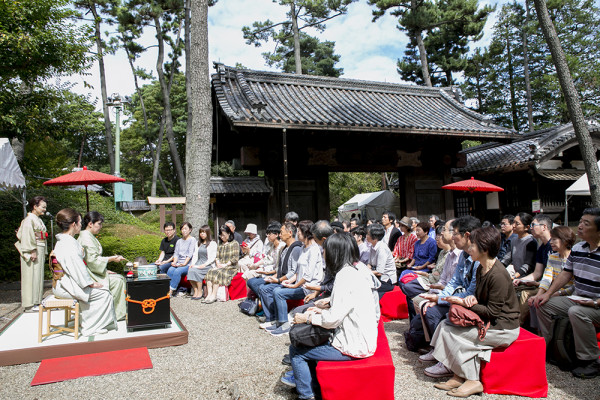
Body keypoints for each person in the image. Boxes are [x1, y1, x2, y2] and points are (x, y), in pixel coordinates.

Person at [426, 225, 520, 397]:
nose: (469, 249)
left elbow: (492, 312)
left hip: (504, 327)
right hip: (488, 320)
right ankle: (458, 375)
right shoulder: (480, 268)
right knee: (446, 327)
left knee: (455, 334)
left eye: (473, 245)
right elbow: (478, 296)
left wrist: (465, 303)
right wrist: (471, 299)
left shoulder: (497, 275)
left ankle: (472, 380)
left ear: (484, 248)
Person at [281, 233, 379, 398]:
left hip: (354, 345)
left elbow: (332, 320)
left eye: (324, 251)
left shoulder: (344, 275)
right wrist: (326, 305)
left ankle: (306, 395)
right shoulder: (355, 269)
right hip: (364, 337)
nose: (323, 254)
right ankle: (313, 386)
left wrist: (308, 318)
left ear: (334, 253)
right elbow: (347, 304)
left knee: (297, 351)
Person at [536, 208, 600, 379]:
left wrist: (596, 303)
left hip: (596, 304)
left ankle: (590, 361)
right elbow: (566, 274)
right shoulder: (578, 248)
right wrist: (547, 294)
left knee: (577, 312)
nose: (579, 226)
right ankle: (554, 349)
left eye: (586, 224)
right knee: (543, 305)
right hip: (578, 298)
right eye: (580, 221)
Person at [407, 216, 481, 353]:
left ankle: (443, 353)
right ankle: (436, 348)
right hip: (454, 295)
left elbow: (470, 291)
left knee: (432, 311)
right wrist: (441, 297)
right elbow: (454, 281)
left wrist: (441, 299)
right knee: (426, 304)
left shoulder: (477, 259)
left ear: (467, 235)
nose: (452, 237)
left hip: (470, 302)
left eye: (454, 233)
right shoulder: (464, 255)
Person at [52, 208, 117, 336]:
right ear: (73, 224)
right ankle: (90, 326)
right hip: (66, 286)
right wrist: (89, 283)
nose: (81, 225)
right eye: (80, 222)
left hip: (64, 282)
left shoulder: (65, 241)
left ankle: (91, 323)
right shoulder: (69, 243)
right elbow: (77, 269)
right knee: (104, 293)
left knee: (101, 290)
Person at [268, 220, 323, 336]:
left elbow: (308, 275)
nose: (297, 234)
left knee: (278, 292)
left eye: (299, 231)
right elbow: (298, 272)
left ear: (306, 232)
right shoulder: (303, 248)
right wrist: (290, 281)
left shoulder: (314, 249)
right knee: (277, 289)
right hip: (300, 284)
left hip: (308, 288)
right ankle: (279, 321)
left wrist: (295, 285)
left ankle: (284, 323)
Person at [77, 211, 127, 320]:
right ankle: (116, 314)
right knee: (118, 281)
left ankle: (115, 311)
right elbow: (93, 261)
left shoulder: (88, 236)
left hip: (92, 271)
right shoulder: (86, 238)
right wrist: (112, 259)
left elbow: (93, 261)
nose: (101, 226)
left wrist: (105, 270)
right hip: (90, 274)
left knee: (118, 277)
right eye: (99, 224)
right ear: (90, 224)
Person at [252, 223, 302, 327]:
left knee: (266, 289)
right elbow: (279, 269)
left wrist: (278, 280)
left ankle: (273, 318)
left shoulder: (295, 248)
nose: (280, 235)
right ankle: (271, 316)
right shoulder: (285, 248)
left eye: (281, 232)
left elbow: (293, 272)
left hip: (292, 282)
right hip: (282, 278)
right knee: (260, 285)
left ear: (290, 233)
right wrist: (274, 277)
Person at [528, 225, 576, 332]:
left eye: (554, 239)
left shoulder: (574, 257)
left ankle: (548, 335)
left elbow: (574, 286)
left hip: (567, 294)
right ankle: (538, 332)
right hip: (553, 291)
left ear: (565, 240)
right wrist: (539, 294)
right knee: (533, 301)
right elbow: (547, 278)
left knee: (541, 304)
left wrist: (551, 294)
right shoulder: (553, 257)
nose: (551, 242)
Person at [400, 223, 451, 320]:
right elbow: (415, 257)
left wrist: (423, 269)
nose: (437, 240)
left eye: (439, 237)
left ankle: (416, 322)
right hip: (427, 273)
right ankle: (415, 323)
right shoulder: (441, 252)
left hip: (428, 273)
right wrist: (411, 265)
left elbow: (433, 262)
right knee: (404, 276)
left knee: (408, 287)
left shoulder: (433, 244)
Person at [512, 213, 553, 325]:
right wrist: (522, 280)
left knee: (525, 294)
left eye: (533, 225)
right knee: (513, 286)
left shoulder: (554, 246)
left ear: (544, 227)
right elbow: (537, 273)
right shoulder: (541, 248)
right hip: (542, 283)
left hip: (551, 286)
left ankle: (519, 324)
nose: (531, 228)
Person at [15, 196, 48, 312]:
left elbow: (41, 235)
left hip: (39, 247)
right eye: (43, 207)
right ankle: (29, 304)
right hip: (33, 249)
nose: (44, 209)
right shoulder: (29, 220)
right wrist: (32, 250)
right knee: (30, 276)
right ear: (35, 206)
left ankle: (36, 300)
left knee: (37, 276)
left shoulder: (36, 219)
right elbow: (26, 235)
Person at [203, 224, 240, 304]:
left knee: (217, 273)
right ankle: (209, 295)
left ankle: (214, 295)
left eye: (224, 235)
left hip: (231, 267)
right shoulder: (220, 245)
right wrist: (218, 263)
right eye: (221, 235)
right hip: (221, 266)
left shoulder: (234, 243)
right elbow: (217, 256)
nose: (222, 237)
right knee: (210, 272)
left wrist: (225, 265)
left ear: (229, 234)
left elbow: (235, 258)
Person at [165, 222, 196, 296]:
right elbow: (176, 253)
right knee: (170, 270)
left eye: (186, 229)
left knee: (177, 271)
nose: (184, 231)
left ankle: (171, 291)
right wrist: (175, 262)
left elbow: (190, 254)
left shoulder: (192, 240)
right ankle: (167, 289)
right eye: (182, 229)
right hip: (179, 263)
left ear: (190, 230)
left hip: (188, 264)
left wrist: (184, 263)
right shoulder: (179, 241)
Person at [187, 225, 217, 300]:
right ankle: (196, 290)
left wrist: (204, 265)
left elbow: (212, 257)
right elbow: (195, 255)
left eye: (204, 232)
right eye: (201, 232)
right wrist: (192, 264)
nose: (202, 234)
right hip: (199, 262)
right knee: (190, 270)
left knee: (196, 271)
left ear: (208, 233)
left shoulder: (212, 243)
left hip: (207, 264)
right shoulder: (198, 243)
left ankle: (200, 291)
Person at [366, 223, 396, 298]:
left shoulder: (381, 248)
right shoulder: (372, 246)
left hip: (386, 281)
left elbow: (379, 272)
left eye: (368, 234)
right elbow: (369, 264)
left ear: (375, 238)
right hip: (376, 277)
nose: (366, 236)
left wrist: (365, 272)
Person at [506, 212, 537, 278]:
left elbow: (528, 265)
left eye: (517, 224)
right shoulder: (513, 240)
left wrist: (514, 276)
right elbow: (507, 258)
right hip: (517, 276)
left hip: (528, 277)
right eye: (513, 222)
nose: (513, 226)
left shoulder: (531, 241)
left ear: (527, 227)